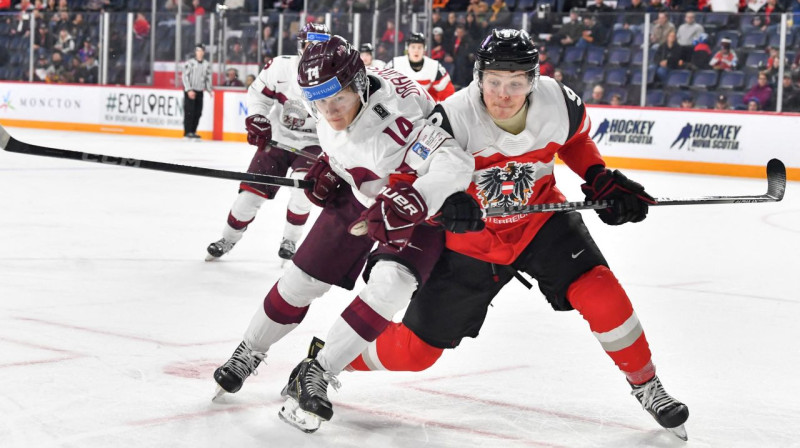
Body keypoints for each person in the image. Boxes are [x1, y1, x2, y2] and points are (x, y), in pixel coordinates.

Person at [345, 28, 691, 441]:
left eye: (516, 83)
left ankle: (646, 384)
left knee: (599, 289)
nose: (503, 94)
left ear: (534, 80)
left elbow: (576, 140)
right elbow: (408, 177)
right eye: (494, 82)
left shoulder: (558, 101)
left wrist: (598, 177)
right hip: (473, 242)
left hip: (540, 223)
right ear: (478, 77)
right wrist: (441, 206)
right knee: (415, 354)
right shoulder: (452, 117)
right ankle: (337, 359)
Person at [211, 35, 475, 433]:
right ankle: (250, 349)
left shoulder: (401, 113)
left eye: (337, 100)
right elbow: (341, 143)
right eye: (319, 102)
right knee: (300, 281)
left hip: (413, 203)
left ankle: (318, 371)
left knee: (392, 287)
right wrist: (330, 167)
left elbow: (453, 160)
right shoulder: (329, 93)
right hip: (359, 194)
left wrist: (421, 198)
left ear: (358, 84)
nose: (329, 112)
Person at [205, 23, 330, 262]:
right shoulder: (281, 67)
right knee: (249, 197)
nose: (313, 52)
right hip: (278, 138)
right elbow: (258, 94)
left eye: (319, 47)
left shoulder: (337, 76)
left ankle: (290, 240)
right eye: (308, 46)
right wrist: (257, 117)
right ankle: (227, 239)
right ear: (299, 47)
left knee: (303, 192)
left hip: (315, 142)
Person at [386, 32, 456, 102]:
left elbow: (447, 91)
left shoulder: (435, 66)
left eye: (419, 47)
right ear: (407, 48)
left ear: (424, 49)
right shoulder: (395, 64)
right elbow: (383, 86)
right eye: (413, 47)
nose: (416, 50)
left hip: (426, 109)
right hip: (399, 108)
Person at [182, 43, 212, 139]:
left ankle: (193, 131)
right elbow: (184, 76)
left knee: (198, 112)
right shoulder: (189, 63)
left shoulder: (206, 64)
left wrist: (209, 89)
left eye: (201, 51)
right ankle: (187, 132)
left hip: (200, 91)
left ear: (204, 52)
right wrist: (189, 90)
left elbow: (207, 77)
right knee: (189, 112)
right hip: (191, 90)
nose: (199, 53)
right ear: (195, 52)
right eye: (198, 50)